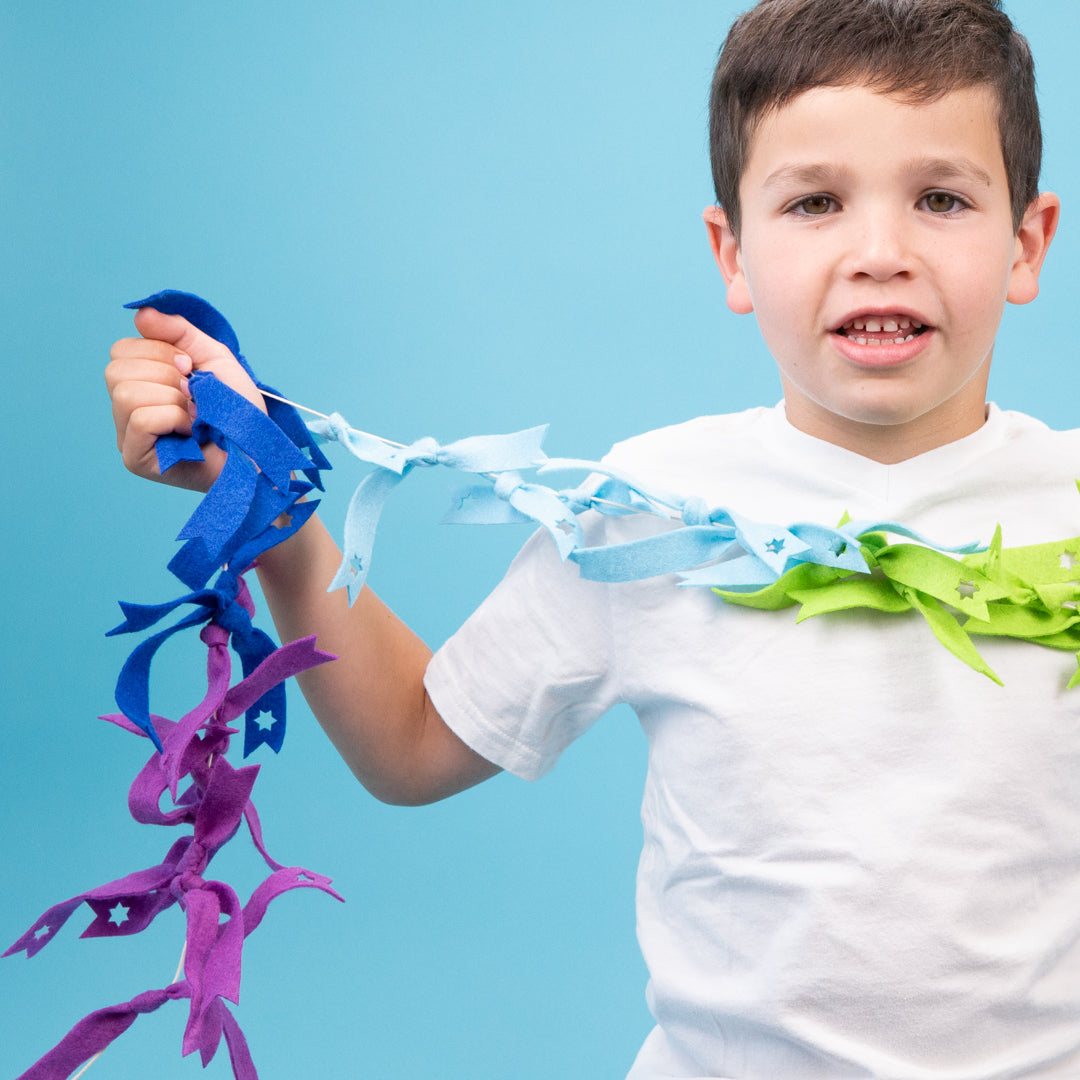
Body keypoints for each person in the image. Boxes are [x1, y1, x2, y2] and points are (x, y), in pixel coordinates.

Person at [105, 0, 1076, 1074]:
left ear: (1028, 243)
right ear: (732, 252)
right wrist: (273, 519)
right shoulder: (650, 506)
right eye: (815, 202)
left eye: (941, 198)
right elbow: (413, 744)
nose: (879, 252)